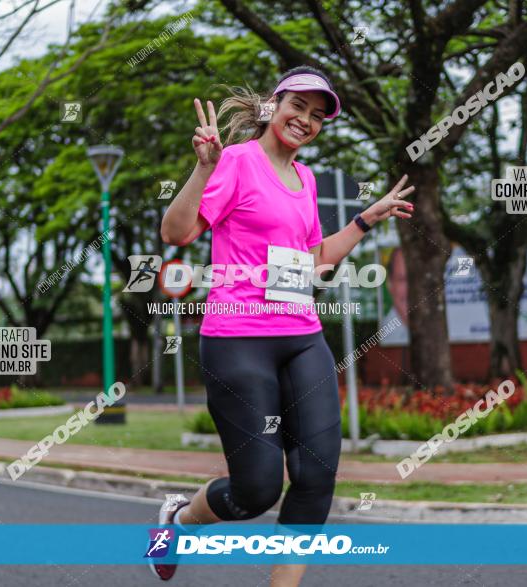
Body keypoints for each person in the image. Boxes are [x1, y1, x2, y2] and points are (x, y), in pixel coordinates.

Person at [157, 65, 414, 586]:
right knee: (255, 493)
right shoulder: (235, 161)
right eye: (299, 106)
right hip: (238, 342)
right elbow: (176, 232)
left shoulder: (307, 177)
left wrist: (366, 220)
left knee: (317, 477)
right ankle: (178, 521)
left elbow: (314, 260)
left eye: (318, 116)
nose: (307, 120)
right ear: (274, 106)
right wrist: (203, 169)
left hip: (302, 337)